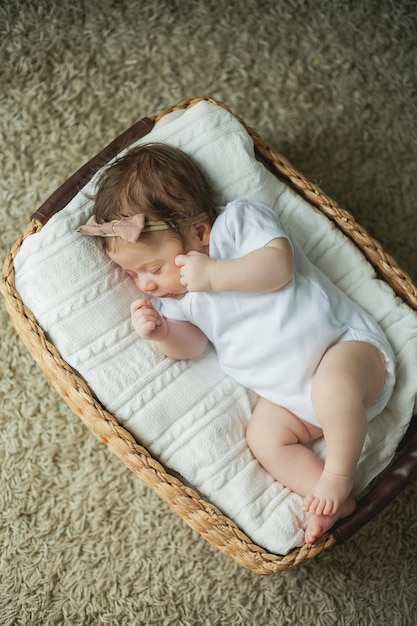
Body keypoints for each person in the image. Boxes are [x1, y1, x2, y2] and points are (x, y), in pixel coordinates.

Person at [78, 142, 395, 544]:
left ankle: (338, 476)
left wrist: (214, 275)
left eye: (153, 268)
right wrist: (162, 334)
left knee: (333, 387)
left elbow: (278, 268)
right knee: (264, 438)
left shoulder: (238, 225)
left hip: (347, 352)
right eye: (134, 274)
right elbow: (192, 345)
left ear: (198, 231)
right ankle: (330, 500)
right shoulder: (174, 299)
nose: (145, 283)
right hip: (289, 397)